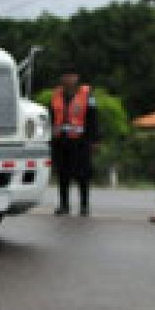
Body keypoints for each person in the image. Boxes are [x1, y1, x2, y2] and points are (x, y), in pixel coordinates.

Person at [49, 68, 101, 215]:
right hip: (61, 141)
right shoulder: (56, 95)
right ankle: (64, 205)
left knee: (83, 175)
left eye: (71, 76)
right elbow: (50, 116)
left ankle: (84, 206)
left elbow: (93, 118)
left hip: (81, 141)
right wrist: (50, 138)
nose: (68, 79)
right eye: (65, 76)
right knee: (62, 174)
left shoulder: (87, 95)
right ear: (62, 78)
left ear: (77, 78)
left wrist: (95, 139)